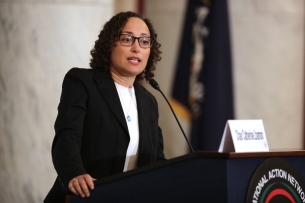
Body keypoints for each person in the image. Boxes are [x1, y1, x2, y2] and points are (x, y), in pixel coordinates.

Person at [44, 11, 166, 203]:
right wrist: (74, 173)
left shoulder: (149, 101)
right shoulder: (83, 82)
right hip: (83, 197)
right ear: (109, 43)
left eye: (144, 41)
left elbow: (157, 161)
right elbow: (67, 136)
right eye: (127, 39)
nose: (137, 48)